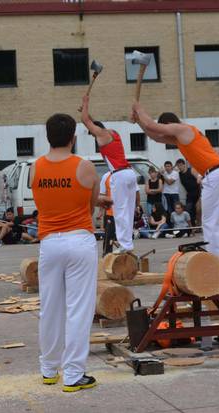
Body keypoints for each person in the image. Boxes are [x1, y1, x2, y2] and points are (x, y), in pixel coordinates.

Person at [30, 113, 103, 391]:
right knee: (78, 310)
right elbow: (91, 204)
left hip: (50, 242)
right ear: (73, 138)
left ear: (47, 137)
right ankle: (73, 374)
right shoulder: (84, 166)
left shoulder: (35, 168)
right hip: (79, 239)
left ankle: (49, 369)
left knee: (50, 308)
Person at [132, 105, 219, 274]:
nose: (165, 132)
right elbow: (156, 136)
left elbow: (153, 126)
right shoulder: (181, 137)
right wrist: (138, 122)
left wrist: (139, 110)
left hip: (216, 174)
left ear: (169, 123)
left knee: (210, 223)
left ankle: (214, 266)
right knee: (218, 222)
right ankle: (218, 264)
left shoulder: (182, 129)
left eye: (166, 127)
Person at [82, 95, 137, 254]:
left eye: (93, 134)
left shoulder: (101, 135)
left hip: (119, 175)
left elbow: (86, 121)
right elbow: (92, 122)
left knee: (119, 211)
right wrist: (88, 113)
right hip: (129, 173)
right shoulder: (113, 132)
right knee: (128, 211)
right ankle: (128, 244)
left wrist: (85, 103)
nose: (94, 138)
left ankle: (125, 246)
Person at [176, 159, 201, 225]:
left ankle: (199, 225)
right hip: (190, 195)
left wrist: (200, 195)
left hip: (198, 193)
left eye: (180, 165)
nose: (179, 167)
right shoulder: (179, 174)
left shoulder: (191, 170)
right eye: (178, 166)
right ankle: (193, 226)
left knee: (198, 210)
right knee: (188, 210)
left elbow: (199, 181)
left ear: (184, 165)